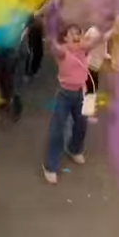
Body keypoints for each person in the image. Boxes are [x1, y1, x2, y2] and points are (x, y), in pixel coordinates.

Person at [43, 22, 93, 184]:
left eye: (79, 33)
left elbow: (100, 38)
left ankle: (74, 149)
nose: (77, 36)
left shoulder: (84, 49)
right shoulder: (63, 52)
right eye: (73, 33)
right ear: (65, 37)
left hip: (80, 93)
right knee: (56, 130)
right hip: (64, 95)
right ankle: (50, 166)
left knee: (82, 124)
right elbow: (52, 44)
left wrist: (111, 28)